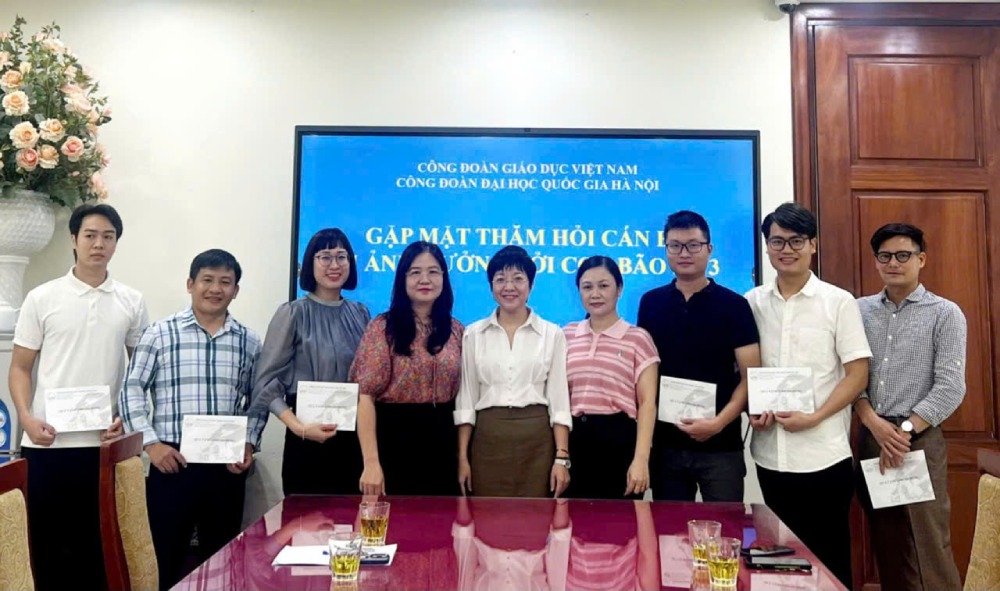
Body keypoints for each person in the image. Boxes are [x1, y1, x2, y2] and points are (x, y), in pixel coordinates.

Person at [8, 203, 148, 591]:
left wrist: (126, 417)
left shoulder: (131, 301)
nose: (98, 244)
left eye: (108, 236)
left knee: (100, 548)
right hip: (46, 443)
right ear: (73, 240)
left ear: (117, 244)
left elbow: (139, 372)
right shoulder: (42, 297)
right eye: (90, 235)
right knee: (47, 548)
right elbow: (19, 368)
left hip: (104, 446)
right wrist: (27, 418)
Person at [119, 249, 263, 590]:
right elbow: (131, 390)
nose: (215, 289)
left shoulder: (249, 341)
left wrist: (249, 442)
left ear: (236, 290)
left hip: (226, 468)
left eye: (225, 282)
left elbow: (258, 399)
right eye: (207, 280)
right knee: (165, 557)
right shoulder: (160, 334)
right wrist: (151, 445)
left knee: (224, 560)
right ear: (190, 284)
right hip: (172, 463)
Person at [744, 203, 871, 588]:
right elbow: (748, 371)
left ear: (812, 244)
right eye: (777, 241)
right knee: (775, 560)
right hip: (770, 455)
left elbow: (857, 374)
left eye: (796, 240)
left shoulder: (838, 301)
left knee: (828, 559)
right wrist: (754, 408)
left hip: (823, 456)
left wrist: (815, 416)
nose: (786, 249)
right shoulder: (751, 303)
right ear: (767, 248)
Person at [854, 223, 964, 591]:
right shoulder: (859, 310)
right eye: (885, 256)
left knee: (928, 542)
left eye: (903, 255)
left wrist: (902, 433)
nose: (894, 263)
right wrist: (873, 423)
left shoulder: (945, 313)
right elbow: (850, 377)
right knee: (887, 541)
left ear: (921, 259)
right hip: (872, 437)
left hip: (918, 439)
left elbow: (951, 387)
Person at [637, 210, 760, 503]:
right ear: (666, 250)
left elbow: (751, 376)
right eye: (675, 245)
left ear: (709, 249)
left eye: (693, 244)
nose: (684, 253)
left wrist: (719, 422)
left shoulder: (735, 305)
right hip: (666, 447)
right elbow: (645, 375)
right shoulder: (651, 303)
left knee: (725, 536)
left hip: (721, 448)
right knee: (668, 539)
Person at [246, 228, 370, 495]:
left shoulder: (360, 314)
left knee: (350, 528)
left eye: (341, 257)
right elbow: (266, 382)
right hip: (306, 439)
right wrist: (298, 427)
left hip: (353, 440)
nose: (334, 265)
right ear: (309, 263)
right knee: (306, 528)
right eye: (325, 257)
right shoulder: (292, 313)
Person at [455, 245, 572, 498]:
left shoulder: (553, 334)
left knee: (535, 525)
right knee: (487, 524)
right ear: (491, 286)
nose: (509, 287)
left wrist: (561, 458)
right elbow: (466, 400)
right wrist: (462, 458)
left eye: (518, 279)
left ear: (530, 285)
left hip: (537, 442)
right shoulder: (472, 334)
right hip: (488, 440)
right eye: (500, 280)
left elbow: (559, 402)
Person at [350, 241, 463, 496]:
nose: (425, 279)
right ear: (403, 278)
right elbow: (365, 396)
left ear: (444, 278)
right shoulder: (382, 328)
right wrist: (371, 462)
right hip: (394, 437)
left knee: (439, 529)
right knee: (392, 529)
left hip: (442, 439)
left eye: (433, 271)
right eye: (415, 272)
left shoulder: (456, 330)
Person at [564, 256, 659, 500]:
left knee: (621, 530)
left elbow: (647, 404)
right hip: (575, 444)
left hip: (619, 444)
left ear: (619, 289)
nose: (595, 294)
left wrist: (640, 460)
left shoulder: (638, 338)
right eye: (587, 287)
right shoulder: (566, 335)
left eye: (603, 285)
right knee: (575, 531)